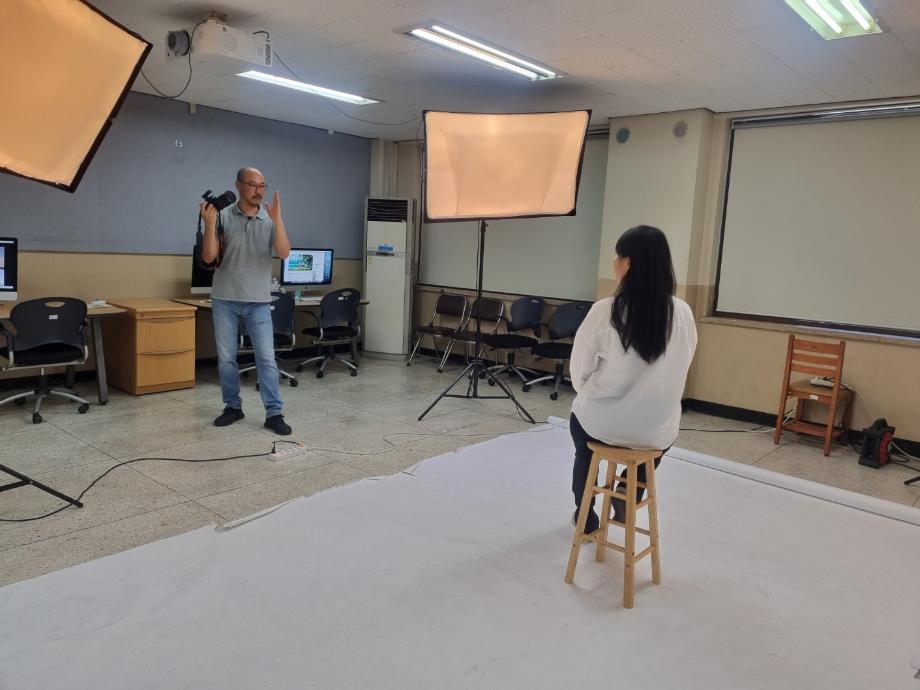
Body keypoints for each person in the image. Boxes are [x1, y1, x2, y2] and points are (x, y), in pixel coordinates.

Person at [569, 225, 697, 533]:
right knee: (659, 439)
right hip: (655, 430)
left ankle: (585, 515)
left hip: (603, 425)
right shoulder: (683, 313)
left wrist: (590, 391)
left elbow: (579, 372)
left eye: (617, 255)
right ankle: (629, 488)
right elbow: (682, 366)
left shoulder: (605, 311)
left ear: (628, 263)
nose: (614, 261)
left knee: (583, 441)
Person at [200, 167, 293, 435]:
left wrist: (278, 221)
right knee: (226, 359)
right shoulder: (223, 216)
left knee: (266, 359)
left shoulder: (269, 218)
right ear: (238, 185)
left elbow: (284, 253)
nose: (258, 190)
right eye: (252, 185)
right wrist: (209, 224)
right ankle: (232, 407)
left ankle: (274, 413)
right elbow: (208, 257)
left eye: (262, 186)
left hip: (258, 301)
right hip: (225, 299)